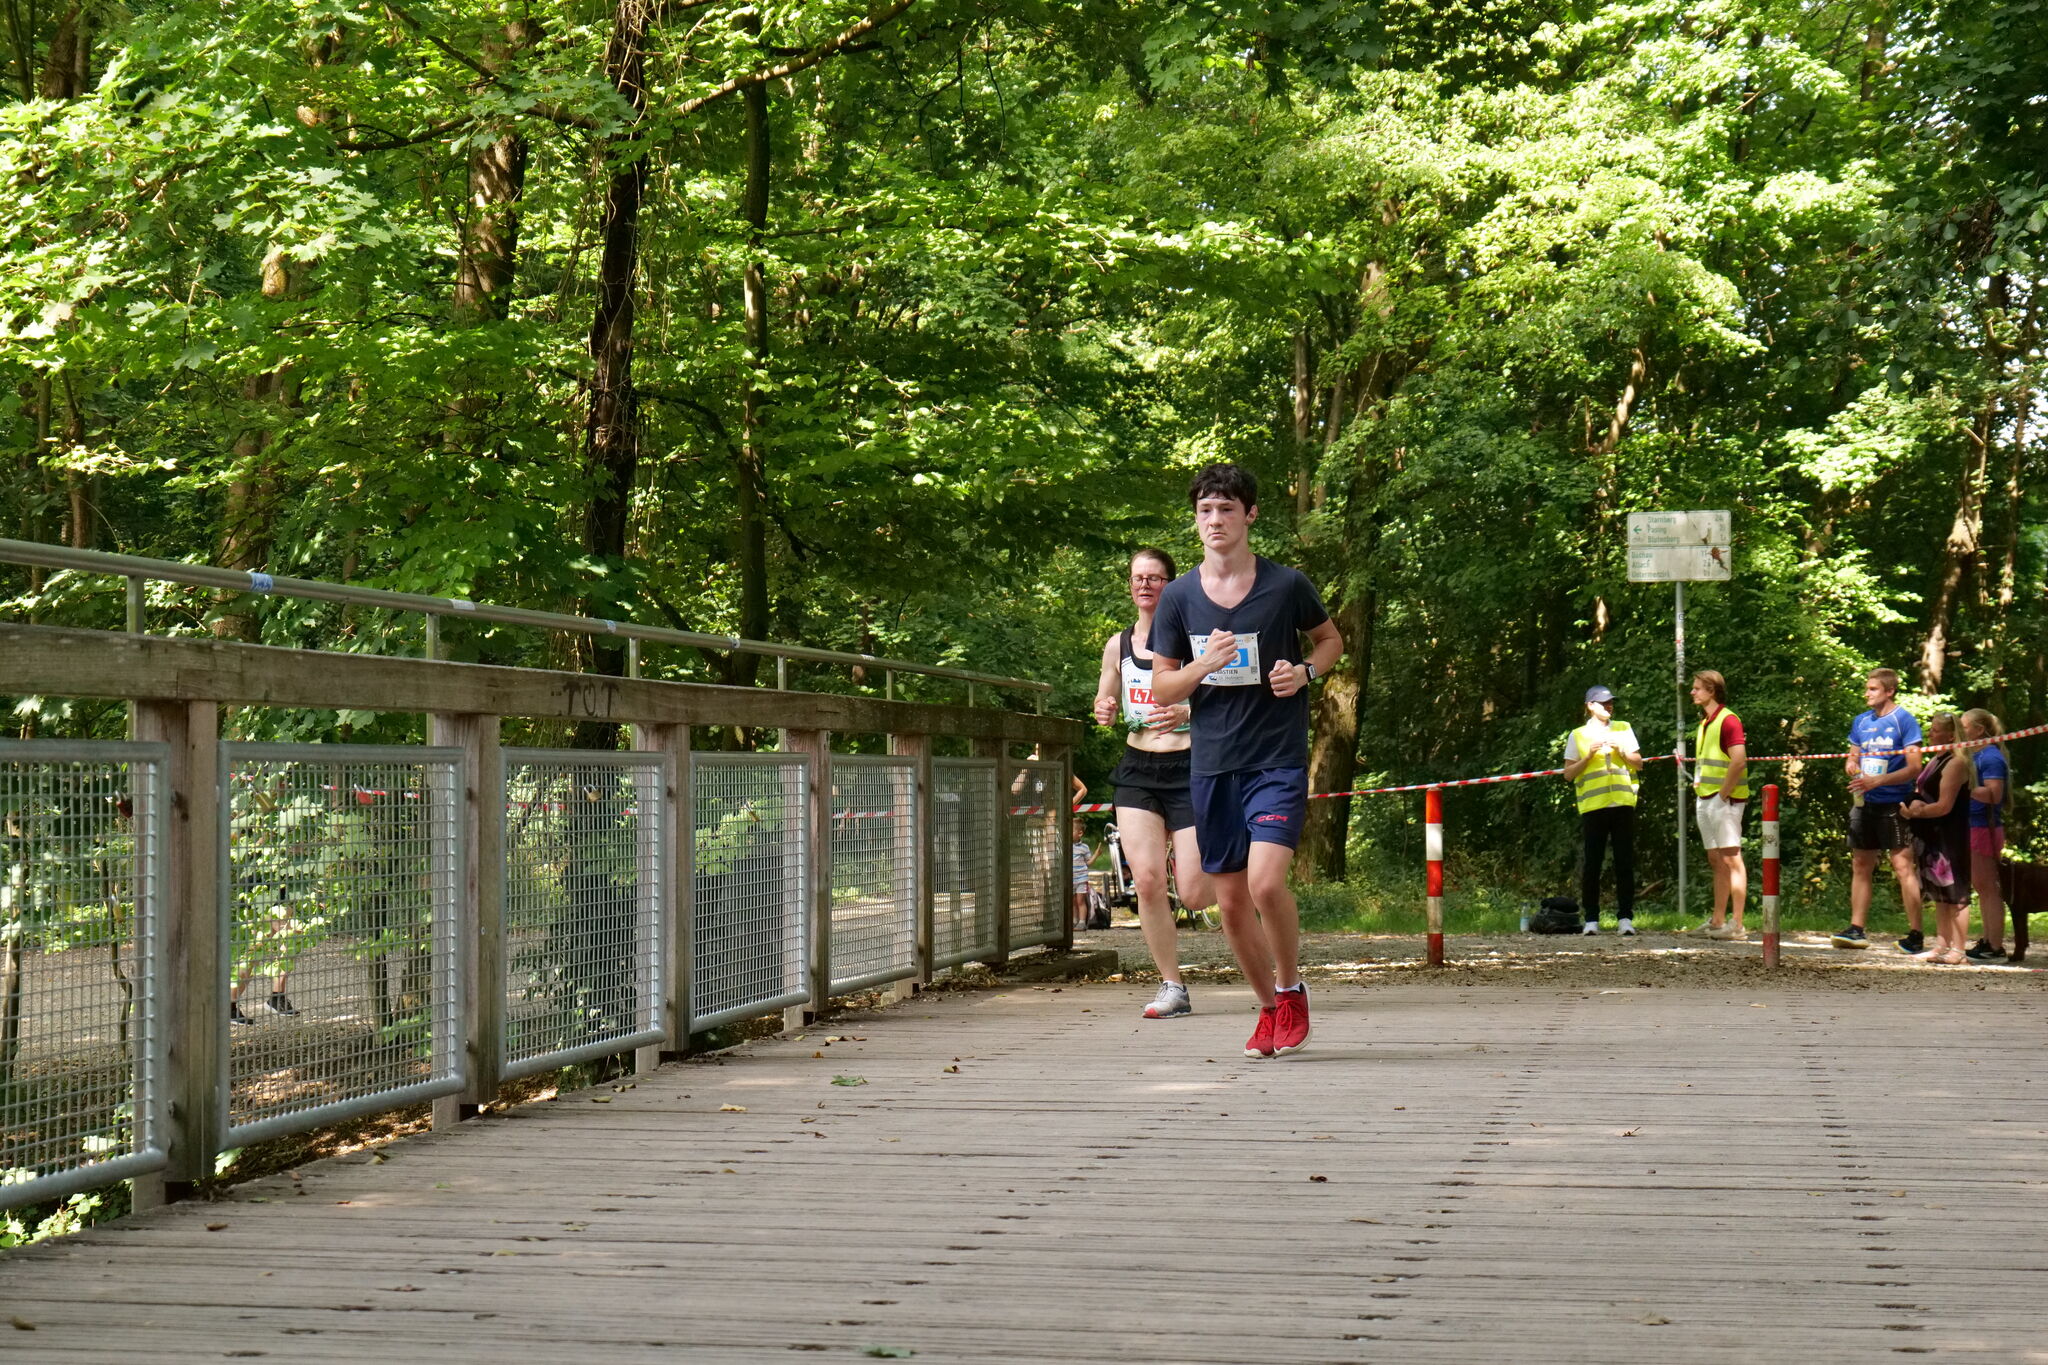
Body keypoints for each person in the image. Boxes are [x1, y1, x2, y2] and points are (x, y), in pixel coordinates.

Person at [1148, 463, 1343, 1059]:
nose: (1215, 520)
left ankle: (1291, 988)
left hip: (1275, 759)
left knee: (1264, 882)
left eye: (1226, 509)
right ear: (1195, 518)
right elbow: (1162, 687)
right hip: (1212, 765)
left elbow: (1330, 641)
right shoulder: (1179, 597)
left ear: (1250, 514)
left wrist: (1304, 672)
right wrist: (1202, 666)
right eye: (1205, 510)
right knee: (1229, 903)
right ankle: (1267, 1009)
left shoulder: (1286, 586)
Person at [1091, 547, 1213, 1019]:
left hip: (1190, 766)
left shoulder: (1194, 641)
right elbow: (1105, 698)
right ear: (1130, 586)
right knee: (1145, 880)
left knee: (1196, 893)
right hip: (1138, 768)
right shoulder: (1117, 644)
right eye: (1137, 578)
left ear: (1171, 584)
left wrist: (1187, 710)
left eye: (1155, 578)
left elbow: (1226, 698)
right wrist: (1103, 709)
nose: (1145, 585)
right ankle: (1172, 985)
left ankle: (1246, 880)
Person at [1833, 668, 1926, 951]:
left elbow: (1915, 767)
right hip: (1864, 801)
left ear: (1889, 691)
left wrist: (1880, 780)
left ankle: (1916, 934)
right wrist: (1852, 765)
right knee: (1861, 863)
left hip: (1894, 801)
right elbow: (1852, 757)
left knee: (1902, 865)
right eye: (1867, 688)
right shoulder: (1861, 721)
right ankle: (1856, 929)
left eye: (1873, 689)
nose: (1867, 694)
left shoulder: (1904, 720)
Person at [1560, 685, 1641, 936]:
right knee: (1592, 864)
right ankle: (1591, 919)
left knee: (1624, 863)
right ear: (1590, 706)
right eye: (1603, 703)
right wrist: (1588, 756)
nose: (1609, 707)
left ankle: (1625, 918)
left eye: (1610, 703)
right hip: (1594, 807)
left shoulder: (1624, 728)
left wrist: (1622, 751)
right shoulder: (1578, 735)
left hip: (1622, 803)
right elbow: (1568, 774)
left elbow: (1639, 763)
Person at [1900, 712, 1974, 964]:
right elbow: (1921, 790)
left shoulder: (1956, 763)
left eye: (1935, 730)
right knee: (1939, 893)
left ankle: (1959, 949)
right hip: (1931, 834)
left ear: (1950, 735)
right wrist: (1913, 804)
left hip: (1950, 835)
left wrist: (1916, 812)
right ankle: (1942, 944)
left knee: (1956, 893)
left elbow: (1944, 805)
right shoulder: (1935, 760)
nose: (1929, 734)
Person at [1688, 669, 1749, 940]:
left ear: (1711, 690)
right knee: (1716, 859)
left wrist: (1723, 794)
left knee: (1732, 857)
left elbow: (1739, 760)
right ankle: (1717, 921)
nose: (1692, 692)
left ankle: (1737, 924)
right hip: (1706, 797)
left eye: (1697, 688)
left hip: (1724, 800)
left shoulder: (1729, 720)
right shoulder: (1705, 723)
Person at [1960, 708, 2011, 961]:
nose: (1960, 732)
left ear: (1979, 730)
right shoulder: (1974, 756)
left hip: (1983, 827)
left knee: (1988, 886)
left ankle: (1995, 945)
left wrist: (1962, 788)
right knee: (1981, 886)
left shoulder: (1990, 757)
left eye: (1964, 727)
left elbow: (1994, 794)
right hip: (1972, 824)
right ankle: (1989, 940)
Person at [1071, 818, 1095, 930]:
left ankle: (1082, 922)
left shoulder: (1084, 848)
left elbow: (1088, 862)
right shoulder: (1064, 846)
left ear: (1079, 833)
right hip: (1070, 878)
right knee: (1072, 901)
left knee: (1080, 900)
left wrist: (1096, 855)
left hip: (1081, 878)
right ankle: (1074, 920)